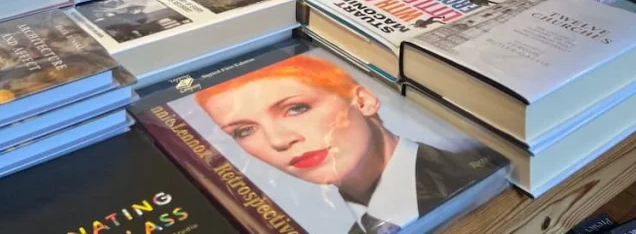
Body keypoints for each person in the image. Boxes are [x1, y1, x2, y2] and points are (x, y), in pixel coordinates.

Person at [196, 54, 493, 234]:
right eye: (244, 130)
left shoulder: (476, 170)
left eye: (297, 108)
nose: (278, 141)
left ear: (363, 101)